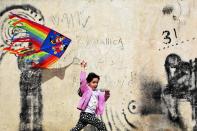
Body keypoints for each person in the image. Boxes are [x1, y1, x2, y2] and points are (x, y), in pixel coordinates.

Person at [71, 60, 110, 131]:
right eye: (93, 82)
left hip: (88, 115)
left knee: (76, 129)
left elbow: (104, 99)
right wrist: (83, 68)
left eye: (97, 82)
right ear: (88, 83)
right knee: (101, 125)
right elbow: (82, 80)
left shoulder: (97, 92)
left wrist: (107, 93)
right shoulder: (86, 89)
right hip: (86, 114)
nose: (96, 84)